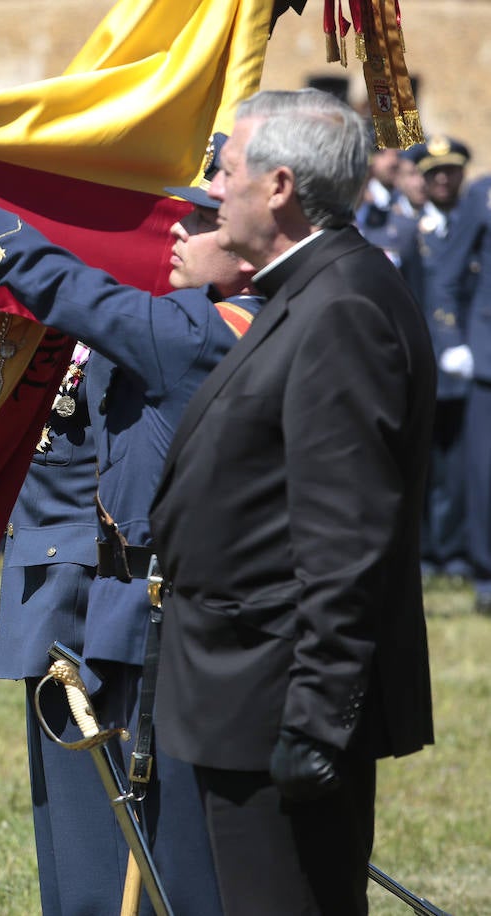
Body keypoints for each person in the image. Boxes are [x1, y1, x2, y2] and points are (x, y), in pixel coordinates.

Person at [0, 118, 257, 914]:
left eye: (202, 217)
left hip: (149, 615)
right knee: (83, 866)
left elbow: (62, 284)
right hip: (75, 592)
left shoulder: (201, 328)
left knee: (161, 868)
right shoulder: (183, 318)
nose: (177, 228)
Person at [149, 89, 433, 913]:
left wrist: (315, 721)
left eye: (225, 169)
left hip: (280, 696)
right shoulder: (308, 291)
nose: (211, 188)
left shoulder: (341, 305)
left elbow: (346, 537)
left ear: (276, 186)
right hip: (247, 691)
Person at [407, 137, 476, 584]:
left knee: (459, 464)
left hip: (468, 363)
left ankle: (454, 551)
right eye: (435, 174)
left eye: (450, 172)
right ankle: (424, 550)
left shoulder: (475, 228)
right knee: (420, 462)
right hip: (422, 362)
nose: (444, 180)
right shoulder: (408, 230)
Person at [426, 137, 491, 613]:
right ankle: (486, 572)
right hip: (487, 359)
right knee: (482, 474)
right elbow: (447, 276)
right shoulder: (483, 195)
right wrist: (454, 343)